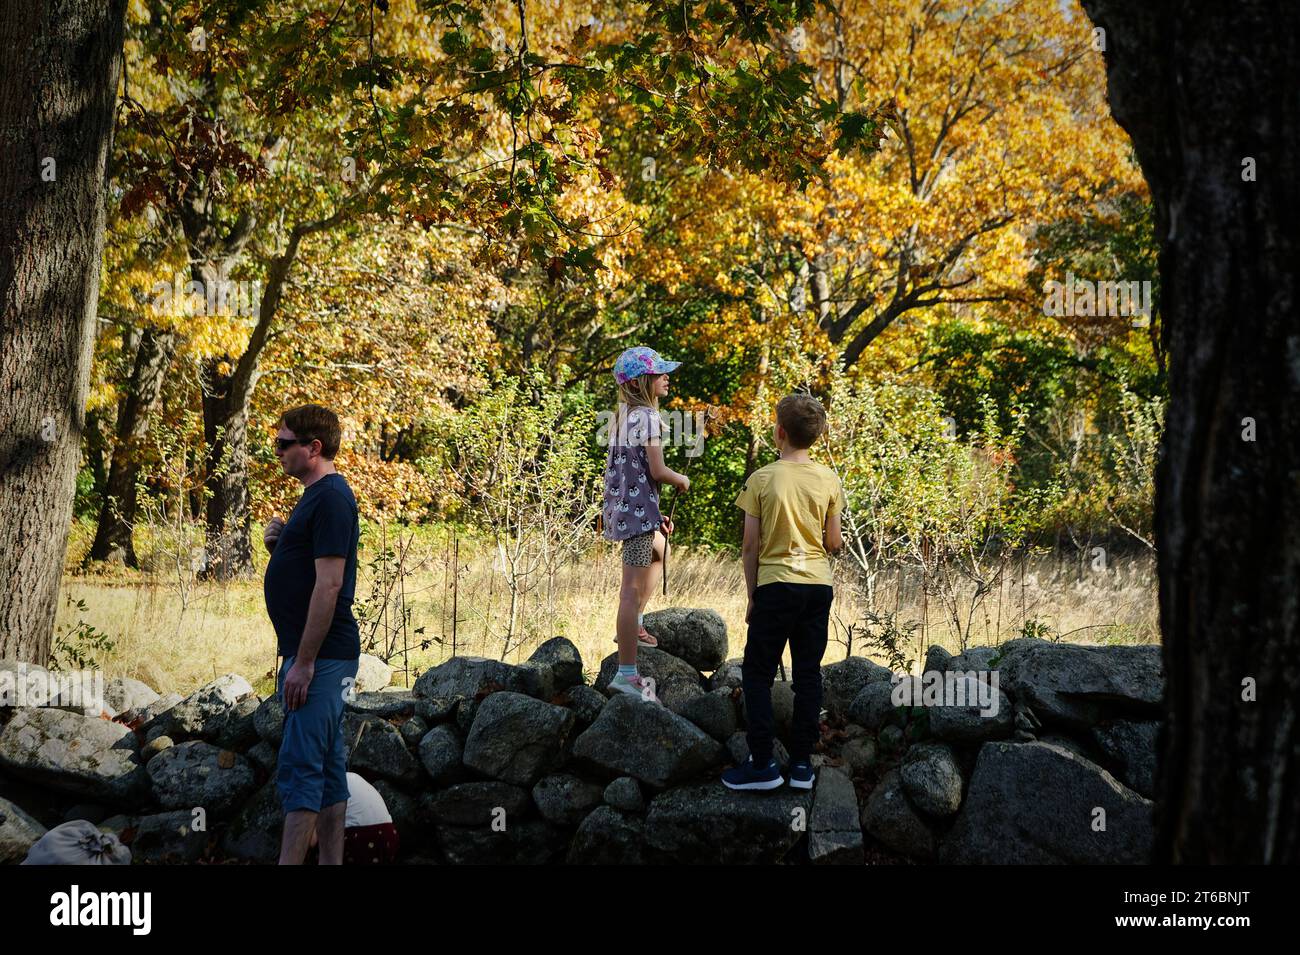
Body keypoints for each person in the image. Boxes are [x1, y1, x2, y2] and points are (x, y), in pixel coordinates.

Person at [723, 393, 846, 791]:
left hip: (776, 586)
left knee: (757, 673)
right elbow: (834, 543)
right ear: (817, 436)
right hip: (817, 588)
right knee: (808, 675)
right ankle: (801, 767)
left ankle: (762, 764)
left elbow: (749, 547)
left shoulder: (761, 479)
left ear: (779, 432)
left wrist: (752, 595)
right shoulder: (829, 479)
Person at [262, 404, 361, 864]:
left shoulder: (332, 498)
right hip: (314, 655)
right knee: (325, 766)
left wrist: (303, 663)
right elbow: (311, 568)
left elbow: (331, 583)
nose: (277, 451)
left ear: (313, 448)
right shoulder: (314, 497)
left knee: (301, 767)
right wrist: (283, 546)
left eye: (284, 443)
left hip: (320, 657)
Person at [601, 346, 691, 702]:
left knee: (661, 548)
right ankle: (626, 674)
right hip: (637, 514)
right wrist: (680, 479)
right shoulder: (649, 418)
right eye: (661, 372)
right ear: (643, 381)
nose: (667, 377)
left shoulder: (620, 417)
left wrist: (651, 508)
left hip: (629, 507)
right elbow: (656, 470)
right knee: (628, 593)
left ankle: (635, 623)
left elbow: (631, 471)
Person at [306, 773, 400, 865]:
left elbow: (311, 840)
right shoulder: (344, 777)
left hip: (359, 838)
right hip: (389, 835)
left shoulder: (313, 786)